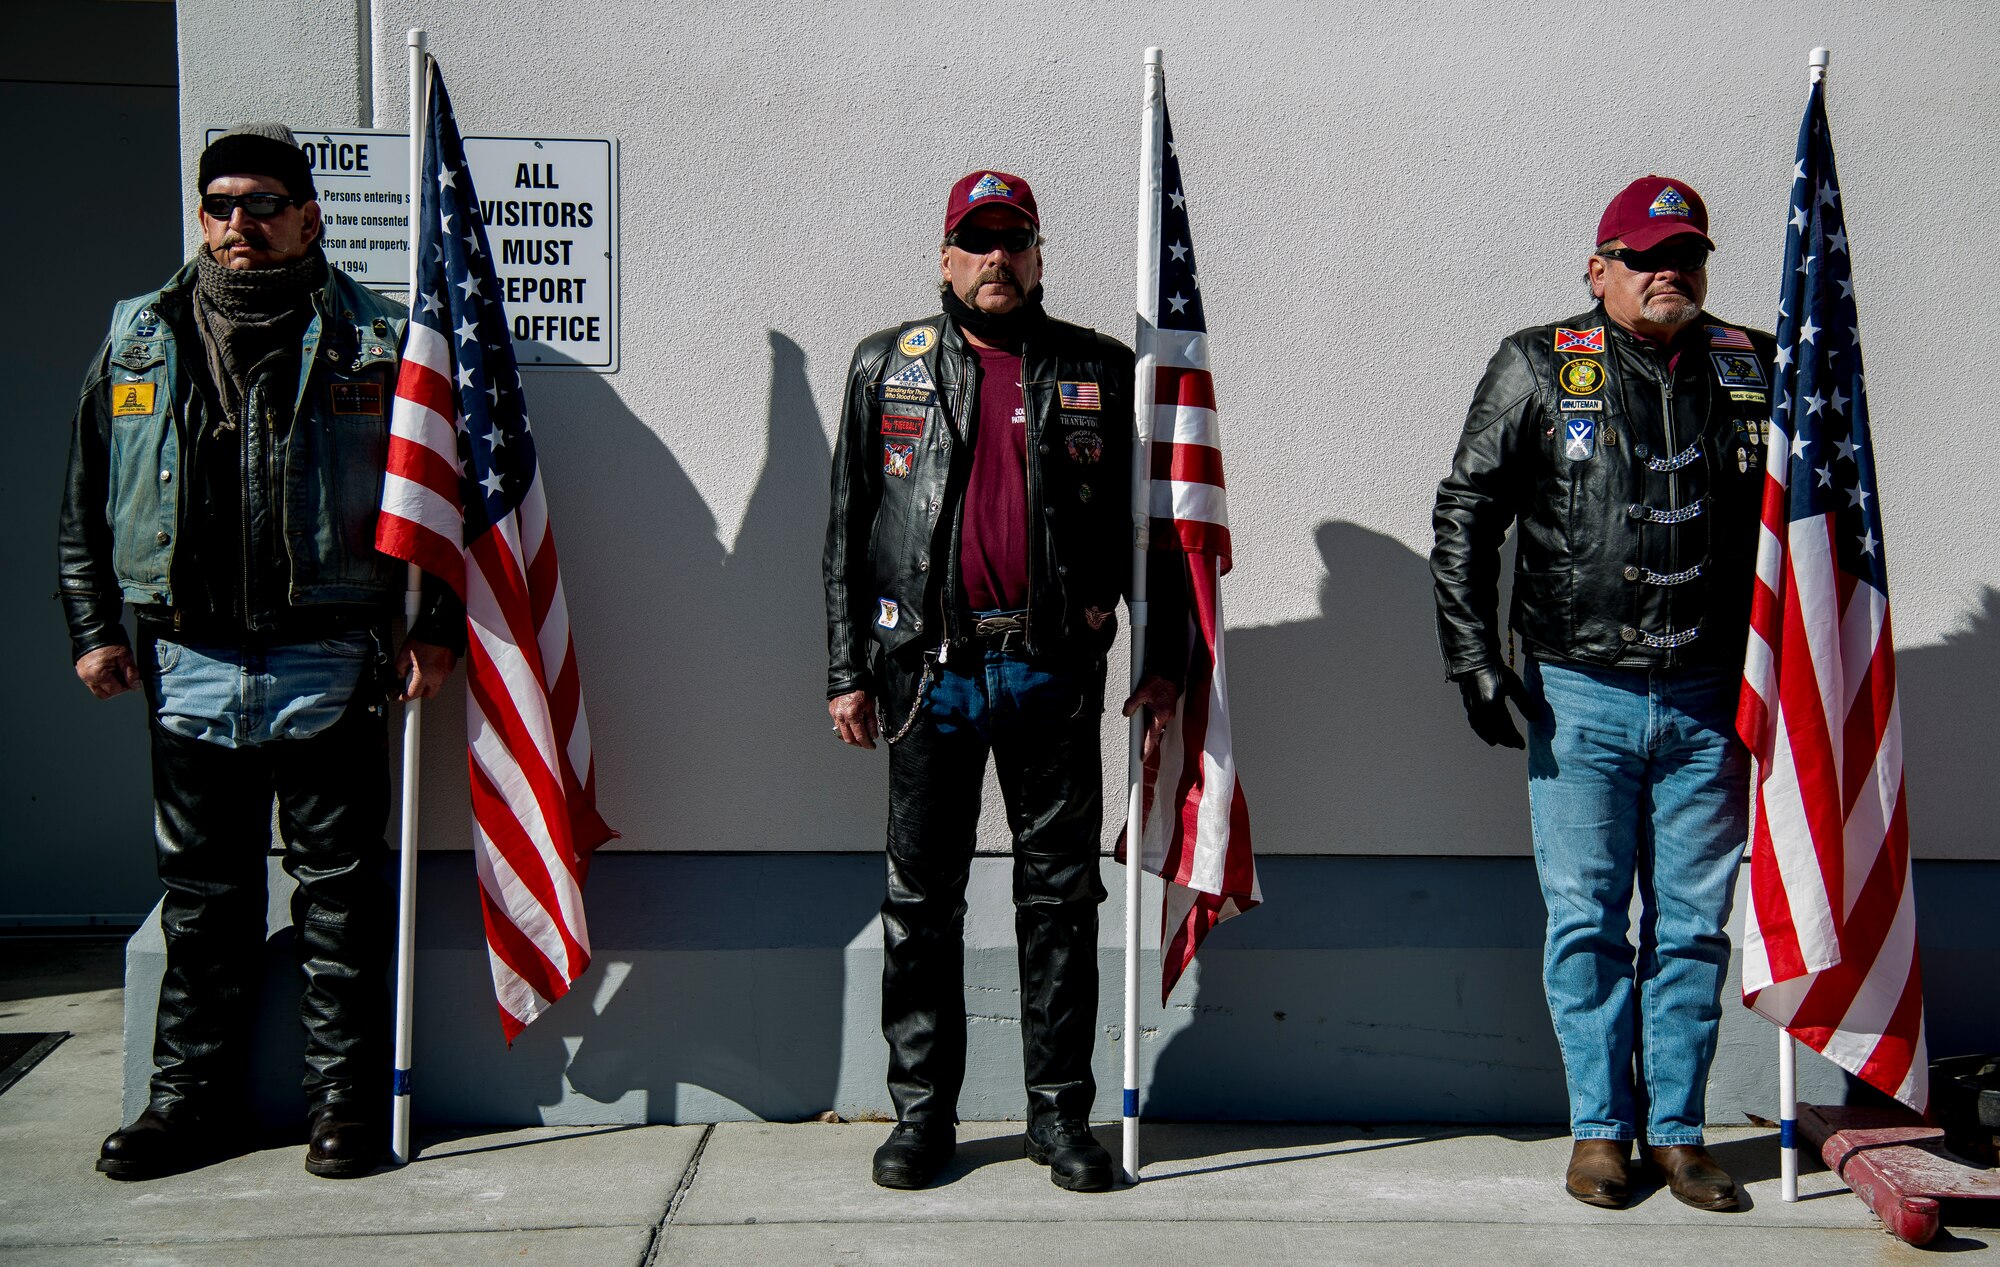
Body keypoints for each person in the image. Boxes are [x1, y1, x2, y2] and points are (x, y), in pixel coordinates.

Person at [59, 123, 461, 1180]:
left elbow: (444, 502)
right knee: (203, 904)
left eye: (266, 203)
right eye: (224, 205)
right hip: (186, 659)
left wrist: (435, 626)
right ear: (201, 217)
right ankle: (185, 1105)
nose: (244, 223)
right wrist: (95, 627)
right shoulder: (139, 336)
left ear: (310, 216)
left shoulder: (377, 340)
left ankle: (343, 1110)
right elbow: (82, 502)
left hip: (326, 656)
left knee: (337, 897)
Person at [823, 170, 1186, 1191]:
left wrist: (1164, 665)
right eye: (976, 242)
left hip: (1049, 672)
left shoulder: (1100, 369)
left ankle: (1059, 1119)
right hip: (924, 675)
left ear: (1036, 255)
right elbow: (846, 532)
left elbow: (1149, 532)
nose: (996, 260)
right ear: (944, 258)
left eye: (1012, 241)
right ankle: (922, 1117)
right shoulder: (880, 366)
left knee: (1060, 899)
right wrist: (847, 669)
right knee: (919, 901)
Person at [1430, 176, 1775, 1211]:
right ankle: (1598, 1129)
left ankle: (1675, 1130)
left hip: (1712, 693)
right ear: (1597, 268)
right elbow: (1464, 512)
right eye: (1643, 257)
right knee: (1583, 919)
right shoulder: (1536, 362)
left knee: (1690, 924)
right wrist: (1472, 658)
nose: (1666, 273)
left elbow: (1813, 518)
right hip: (1576, 693)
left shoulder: (1751, 363)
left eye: (1686, 257)